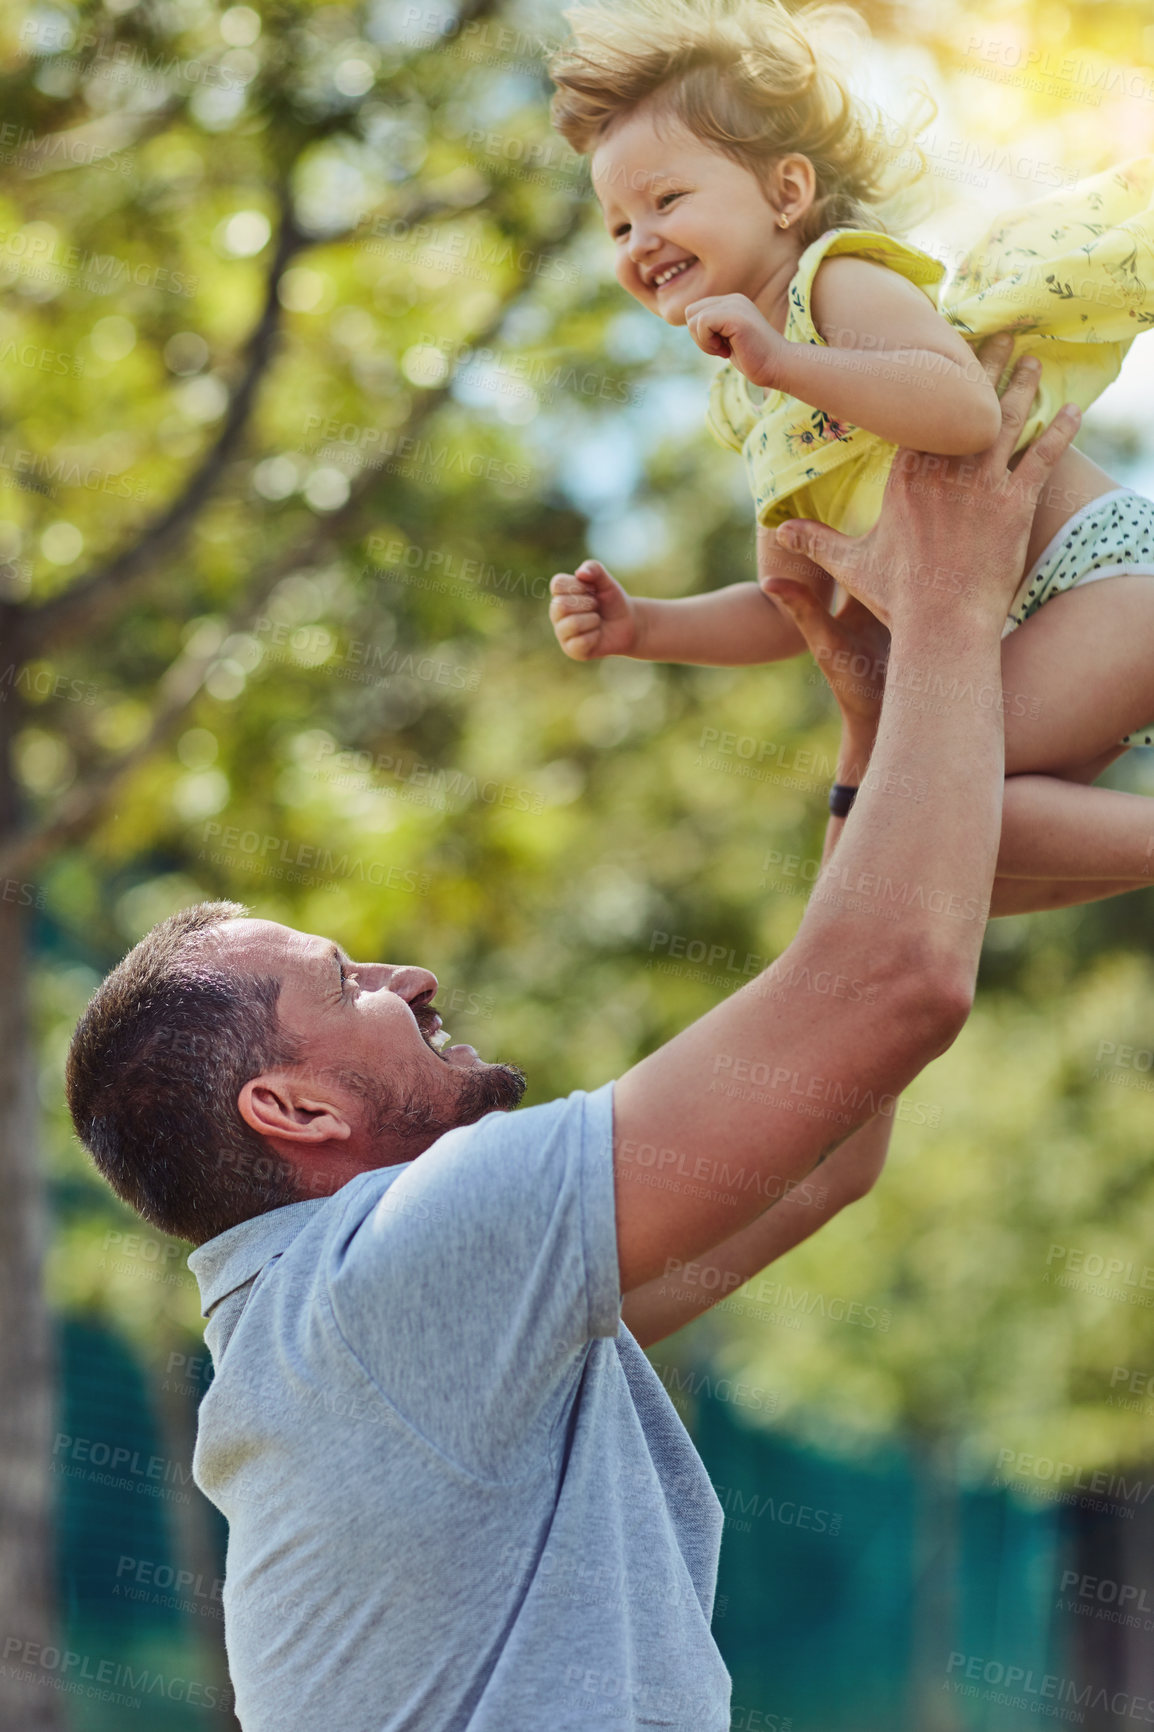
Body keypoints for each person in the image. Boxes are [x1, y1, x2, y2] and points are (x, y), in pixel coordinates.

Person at [65, 352, 1075, 1731]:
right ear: (290, 1108)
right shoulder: (396, 1270)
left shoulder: (367, 1323)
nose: (411, 975)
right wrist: (955, 596)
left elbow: (824, 1151)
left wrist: (869, 729)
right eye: (344, 978)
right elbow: (897, 983)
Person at [546, 0, 1154, 903]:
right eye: (620, 225)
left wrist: (789, 361)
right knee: (937, 866)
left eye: (668, 200)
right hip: (1028, 629)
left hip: (1100, 579)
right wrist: (648, 627)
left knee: (919, 811)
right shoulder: (756, 405)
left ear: (787, 193)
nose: (643, 241)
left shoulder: (832, 281)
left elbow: (960, 409)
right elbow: (788, 602)